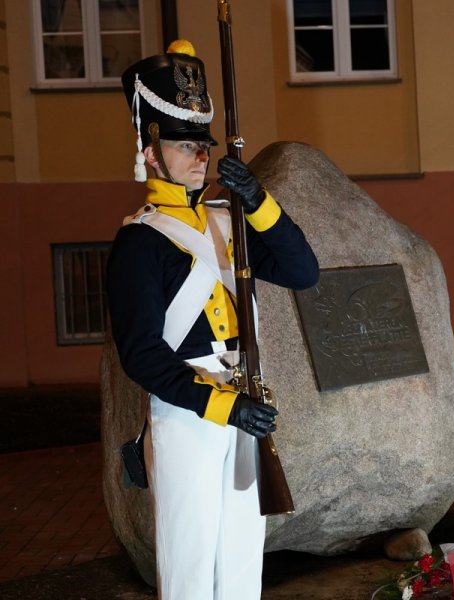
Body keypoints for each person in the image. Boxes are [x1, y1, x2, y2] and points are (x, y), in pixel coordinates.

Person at [107, 40, 319, 598]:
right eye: (184, 146)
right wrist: (225, 405)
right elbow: (142, 355)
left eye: (204, 146)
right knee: (192, 558)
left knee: (243, 555)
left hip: (243, 402)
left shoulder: (228, 220)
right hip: (189, 411)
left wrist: (258, 201)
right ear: (151, 154)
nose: (200, 157)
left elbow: (304, 271)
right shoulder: (140, 241)